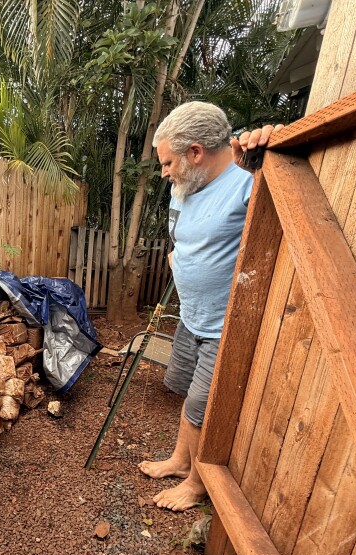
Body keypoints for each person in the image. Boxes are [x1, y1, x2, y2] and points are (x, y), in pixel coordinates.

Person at [137, 101, 282, 511]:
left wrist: (270, 147)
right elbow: (183, 237)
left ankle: (198, 484)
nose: (164, 172)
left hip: (223, 325)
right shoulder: (187, 188)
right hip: (191, 316)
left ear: (196, 152)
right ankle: (181, 460)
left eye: (168, 162)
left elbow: (293, 186)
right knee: (187, 395)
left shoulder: (248, 181)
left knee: (204, 407)